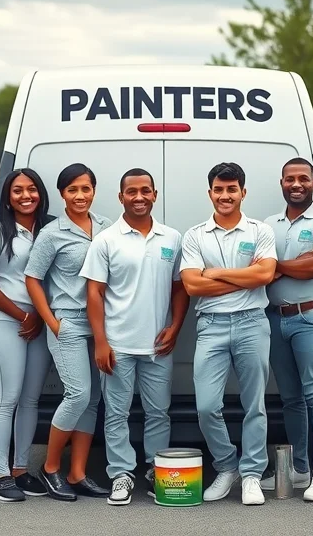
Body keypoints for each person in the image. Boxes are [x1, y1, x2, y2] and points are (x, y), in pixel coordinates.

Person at [82, 168, 190, 506]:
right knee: (117, 413)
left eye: (146, 191)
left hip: (159, 345)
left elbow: (179, 287)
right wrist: (101, 341)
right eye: (132, 191)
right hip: (117, 345)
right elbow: (95, 294)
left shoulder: (171, 238)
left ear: (155, 195)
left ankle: (156, 472)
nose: (139, 197)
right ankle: (121, 474)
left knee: (160, 412)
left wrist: (176, 326)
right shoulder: (106, 240)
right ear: (121, 197)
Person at [179, 162, 277, 506]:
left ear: (242, 192)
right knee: (206, 406)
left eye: (231, 189)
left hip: (252, 323)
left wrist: (216, 273)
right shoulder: (194, 235)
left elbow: (264, 275)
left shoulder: (259, 231)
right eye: (219, 190)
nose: (225, 196)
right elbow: (192, 284)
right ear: (210, 193)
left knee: (255, 405)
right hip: (212, 327)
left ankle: (251, 475)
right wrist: (242, 276)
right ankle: (227, 466)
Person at [24, 163, 112, 501]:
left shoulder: (106, 227)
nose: (80, 195)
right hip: (69, 322)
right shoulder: (52, 233)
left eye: (85, 189)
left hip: (101, 324)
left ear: (93, 191)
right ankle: (49, 469)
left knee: (92, 400)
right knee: (77, 395)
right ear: (62, 194)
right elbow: (32, 278)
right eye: (72, 189)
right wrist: (51, 321)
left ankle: (77, 472)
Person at [260, 158, 313, 502]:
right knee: (290, 398)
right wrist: (297, 264)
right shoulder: (267, 225)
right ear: (281, 183)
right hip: (275, 318)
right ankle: (300, 467)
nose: (297, 184)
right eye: (290, 179)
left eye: (303, 179)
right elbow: (260, 269)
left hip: (311, 317)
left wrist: (278, 265)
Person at [0, 168, 55, 502]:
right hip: (7, 322)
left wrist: (40, 317)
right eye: (18, 190)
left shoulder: (50, 229)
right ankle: (1, 475)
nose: (26, 196)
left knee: (30, 399)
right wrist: (23, 315)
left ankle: (22, 469)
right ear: (7, 196)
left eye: (32, 189)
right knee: (7, 397)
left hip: (40, 322)